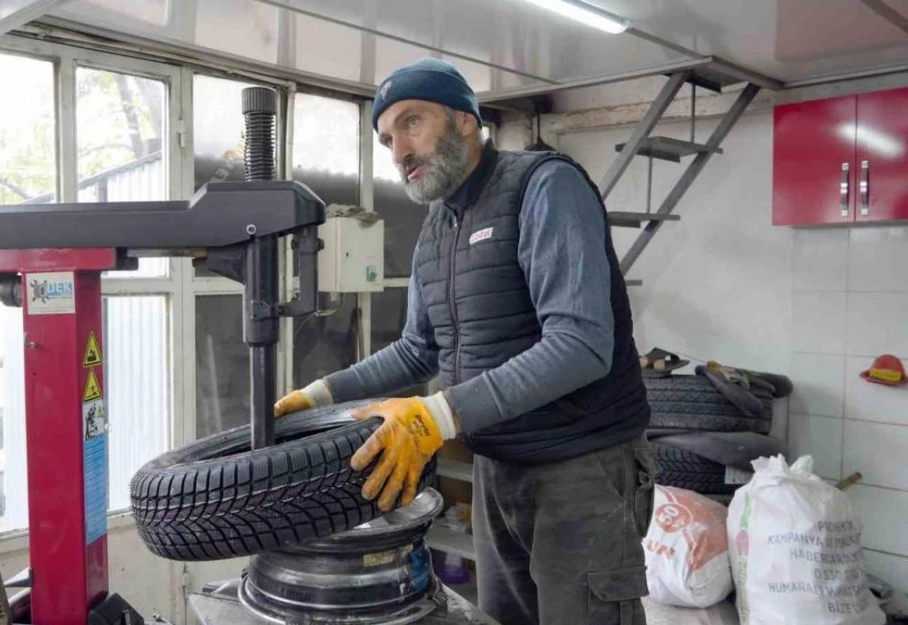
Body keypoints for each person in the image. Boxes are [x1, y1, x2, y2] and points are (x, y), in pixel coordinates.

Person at [274, 57, 658, 625]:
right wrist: (321, 394)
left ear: (462, 120)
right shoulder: (437, 230)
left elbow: (580, 343)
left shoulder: (543, 185)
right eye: (385, 139)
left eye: (411, 122)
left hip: (583, 468)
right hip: (497, 468)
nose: (398, 151)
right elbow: (416, 350)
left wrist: (437, 417)